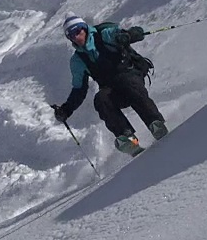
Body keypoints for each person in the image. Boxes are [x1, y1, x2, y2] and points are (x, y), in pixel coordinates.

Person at [52, 13, 168, 156]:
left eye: (77, 31)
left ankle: (155, 123)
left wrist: (127, 36)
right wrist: (66, 109)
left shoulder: (103, 35)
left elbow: (131, 32)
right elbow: (79, 90)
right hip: (112, 89)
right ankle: (128, 138)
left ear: (84, 28)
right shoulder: (78, 60)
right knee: (101, 99)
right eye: (70, 35)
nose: (76, 37)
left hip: (130, 77)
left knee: (125, 82)